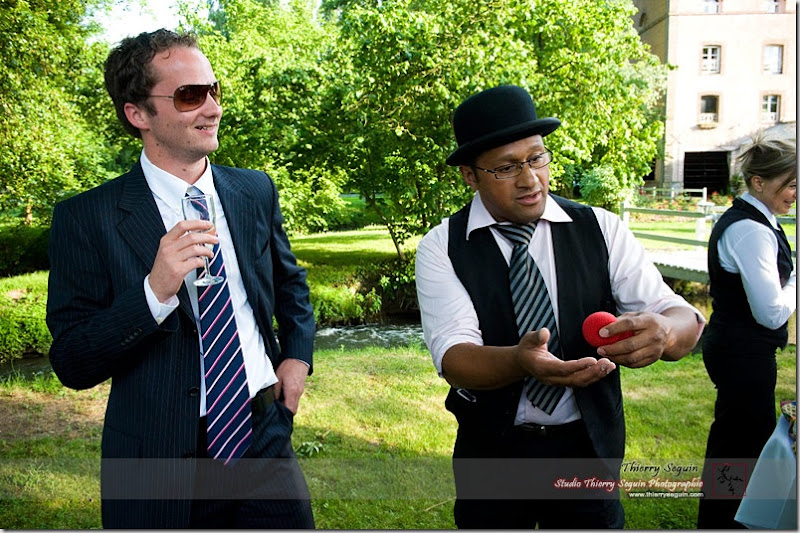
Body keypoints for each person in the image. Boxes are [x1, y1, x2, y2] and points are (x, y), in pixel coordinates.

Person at [45, 29, 315, 528]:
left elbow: (291, 285)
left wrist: (297, 357)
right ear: (138, 114)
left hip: (264, 438)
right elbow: (72, 362)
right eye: (191, 96)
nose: (212, 108)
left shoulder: (253, 190)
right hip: (156, 458)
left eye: (215, 90)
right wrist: (153, 292)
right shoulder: (86, 218)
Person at [414, 84, 705, 529]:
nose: (530, 179)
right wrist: (520, 361)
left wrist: (665, 333)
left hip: (586, 450)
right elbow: (455, 357)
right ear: (470, 176)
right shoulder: (443, 247)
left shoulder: (600, 229)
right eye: (506, 167)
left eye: (536, 158)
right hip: (492, 452)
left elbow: (680, 314)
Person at [697, 136, 796, 529]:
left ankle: (721, 519)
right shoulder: (751, 231)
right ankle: (727, 522)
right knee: (742, 448)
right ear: (758, 182)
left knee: (735, 442)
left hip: (738, 349)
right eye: (790, 184)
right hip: (743, 353)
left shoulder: (755, 221)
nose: (795, 193)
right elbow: (771, 313)